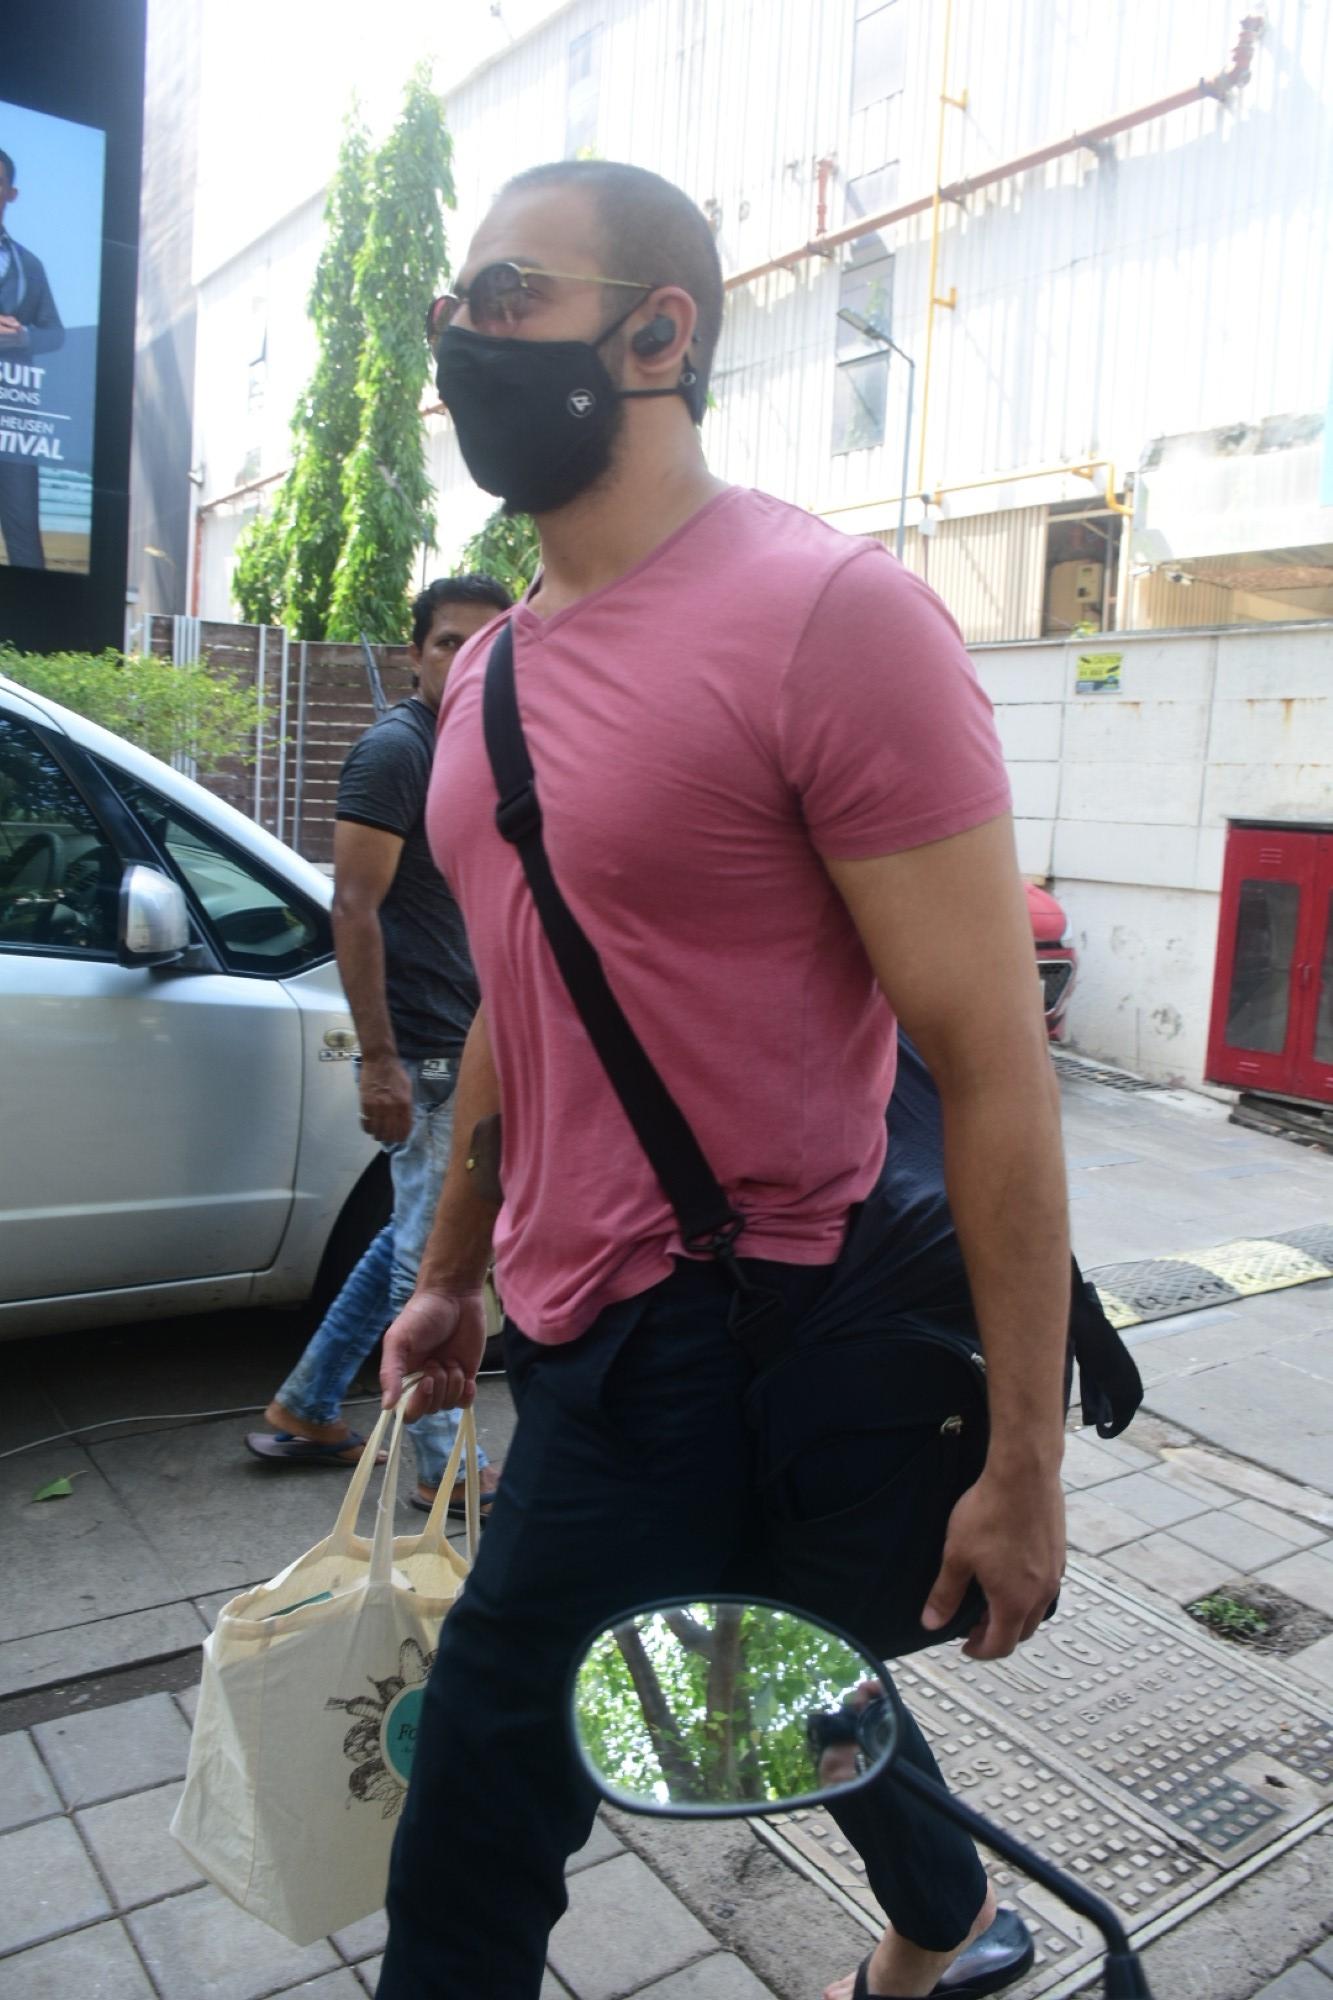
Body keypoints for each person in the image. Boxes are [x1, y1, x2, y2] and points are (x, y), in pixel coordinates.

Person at [376, 161, 1069, 2000]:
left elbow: (990, 1066)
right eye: (456, 302)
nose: (461, 335)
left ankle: (929, 1920)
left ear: (658, 331)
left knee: (476, 1796)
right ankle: (942, 1917)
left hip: (730, 1320)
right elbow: (529, 1006)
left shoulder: (830, 619)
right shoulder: (490, 676)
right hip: (564, 1312)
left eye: (508, 295)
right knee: (741, 1659)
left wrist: (1020, 1466)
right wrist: (450, 1269)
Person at [245, 573, 512, 1517]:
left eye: (490, 642)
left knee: (401, 1242)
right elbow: (352, 908)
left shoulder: (476, 747)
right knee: (431, 1259)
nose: (469, 659)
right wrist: (380, 1059)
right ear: (415, 654)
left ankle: (307, 1405)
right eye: (449, 643)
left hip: (465, 1038)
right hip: (427, 1048)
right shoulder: (398, 751)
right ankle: (442, 1467)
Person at [0, 145, 65, 571]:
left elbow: (56, 334)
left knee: (25, 540)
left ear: (11, 194)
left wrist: (23, 337)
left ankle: (33, 637)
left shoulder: (32, 265)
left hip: (15, 421)